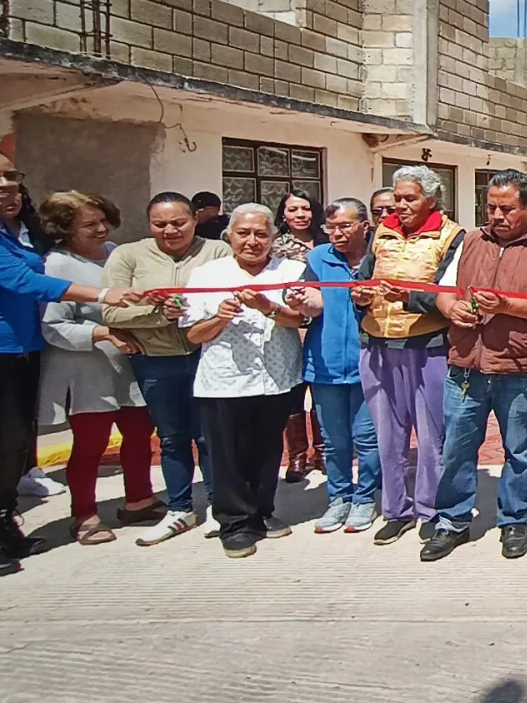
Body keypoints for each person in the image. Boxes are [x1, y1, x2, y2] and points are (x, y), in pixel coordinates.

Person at [423, 170, 527, 562]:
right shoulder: (471, 241)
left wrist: (507, 306)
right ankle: (452, 521)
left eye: (507, 208)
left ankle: (513, 521)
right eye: (491, 207)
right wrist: (451, 308)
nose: (497, 215)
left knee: (518, 450)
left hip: (518, 369)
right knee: (457, 448)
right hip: (466, 366)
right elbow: (443, 290)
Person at [181, 204, 320, 559]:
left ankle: (261, 511)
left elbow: (299, 320)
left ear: (273, 238)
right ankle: (234, 523)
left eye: (261, 234)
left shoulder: (291, 270)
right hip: (223, 379)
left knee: (267, 449)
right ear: (230, 236)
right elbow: (194, 334)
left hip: (274, 376)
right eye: (244, 233)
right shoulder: (206, 275)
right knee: (227, 453)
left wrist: (266, 306)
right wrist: (219, 319)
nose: (252, 241)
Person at [98, 191, 228, 546]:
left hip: (207, 358)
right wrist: (157, 314)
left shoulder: (216, 251)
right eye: (160, 224)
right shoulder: (128, 256)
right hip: (155, 360)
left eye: (179, 222)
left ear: (194, 220)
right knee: (172, 439)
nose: (170, 230)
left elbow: (229, 296)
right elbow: (110, 312)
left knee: (210, 438)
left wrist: (191, 312)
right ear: (149, 224)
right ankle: (180, 509)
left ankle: (219, 507)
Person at [349, 166, 465, 546]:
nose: (399, 206)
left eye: (409, 198)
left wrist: (410, 297)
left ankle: (431, 509)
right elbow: (364, 277)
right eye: (397, 198)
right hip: (378, 344)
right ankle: (396, 509)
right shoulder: (382, 233)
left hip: (427, 346)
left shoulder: (451, 236)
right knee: (388, 434)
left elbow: (452, 294)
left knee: (432, 435)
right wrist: (360, 294)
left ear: (431, 199)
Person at [37, 191, 161, 544]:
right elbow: (54, 326)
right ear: (64, 229)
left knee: (139, 433)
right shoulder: (56, 265)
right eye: (88, 224)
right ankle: (85, 515)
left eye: (103, 220)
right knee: (91, 444)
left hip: (127, 362)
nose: (100, 229)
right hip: (86, 367)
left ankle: (140, 499)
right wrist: (104, 332)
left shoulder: (115, 254)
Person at [302, 198, 381, 534]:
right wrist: (302, 302)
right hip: (325, 362)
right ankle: (339, 498)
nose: (336, 233)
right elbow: (308, 300)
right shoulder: (317, 258)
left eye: (345, 225)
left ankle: (365, 499)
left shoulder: (380, 259)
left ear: (365, 225)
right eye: (330, 227)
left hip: (372, 362)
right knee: (333, 441)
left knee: (367, 437)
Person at [3, 180, 62, 500]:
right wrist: (105, 294)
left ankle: (26, 470)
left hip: (30, 336)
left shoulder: (32, 233)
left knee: (24, 418)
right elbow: (26, 281)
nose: (10, 198)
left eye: (16, 192)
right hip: (6, 341)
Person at [273, 188, 327, 483]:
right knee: (293, 394)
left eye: (305, 209)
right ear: (283, 213)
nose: (300, 215)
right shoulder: (275, 247)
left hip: (321, 326)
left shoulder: (326, 242)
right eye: (293, 209)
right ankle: (297, 455)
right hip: (288, 326)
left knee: (320, 391)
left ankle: (322, 451)